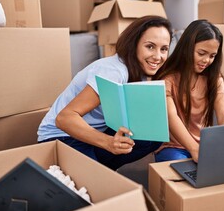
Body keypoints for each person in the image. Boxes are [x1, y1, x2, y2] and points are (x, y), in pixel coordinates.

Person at [37, 15, 173, 170]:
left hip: (91, 133)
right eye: (150, 46)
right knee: (96, 189)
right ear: (133, 44)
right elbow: (64, 119)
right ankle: (96, 169)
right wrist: (108, 143)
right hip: (61, 136)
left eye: (164, 49)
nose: (158, 56)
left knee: (151, 137)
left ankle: (99, 166)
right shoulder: (113, 70)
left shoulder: (139, 71)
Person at [153, 19, 224, 163]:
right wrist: (194, 149)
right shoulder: (168, 79)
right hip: (174, 147)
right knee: (181, 170)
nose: (207, 60)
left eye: (212, 56)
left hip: (205, 145)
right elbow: (171, 117)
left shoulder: (214, 79)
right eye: (201, 53)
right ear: (187, 47)